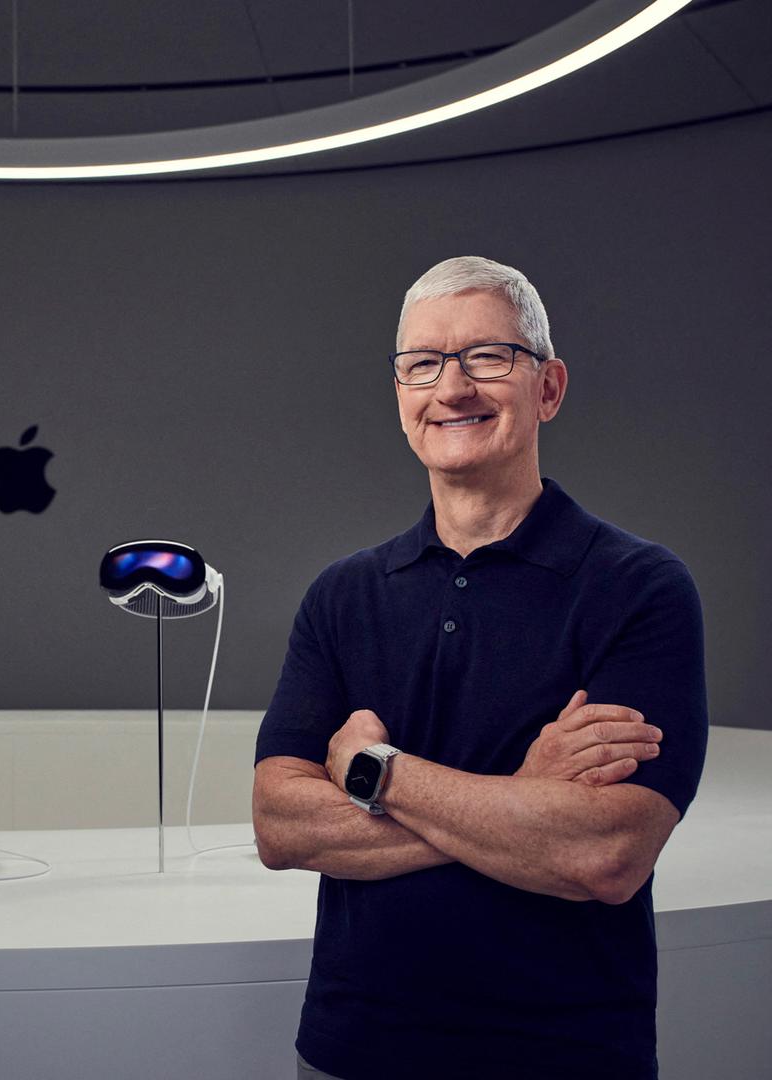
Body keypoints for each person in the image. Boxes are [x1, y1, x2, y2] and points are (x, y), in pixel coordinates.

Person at [252, 256, 708, 1080]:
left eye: (487, 357)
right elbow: (281, 828)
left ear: (549, 387)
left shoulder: (639, 587)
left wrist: (374, 772)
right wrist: (524, 797)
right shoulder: (343, 595)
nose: (451, 388)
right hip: (353, 1050)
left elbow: (605, 853)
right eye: (423, 364)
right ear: (400, 396)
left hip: (564, 1055)